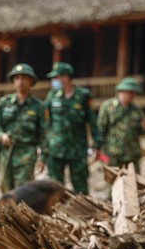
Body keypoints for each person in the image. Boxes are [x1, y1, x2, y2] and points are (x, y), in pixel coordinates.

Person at [43, 62, 102, 194]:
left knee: (80, 186)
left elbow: (92, 122)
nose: (54, 81)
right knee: (55, 186)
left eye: (56, 77)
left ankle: (82, 212)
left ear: (66, 77)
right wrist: (44, 146)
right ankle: (57, 212)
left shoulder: (83, 96)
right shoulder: (52, 96)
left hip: (77, 150)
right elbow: (46, 123)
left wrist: (97, 144)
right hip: (56, 149)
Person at [0, 63, 47, 193]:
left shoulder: (38, 106)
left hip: (27, 153)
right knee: (6, 191)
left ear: (31, 81)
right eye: (17, 78)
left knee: (23, 191)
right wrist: (1, 136)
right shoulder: (4, 103)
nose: (20, 81)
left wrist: (43, 158)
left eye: (24, 78)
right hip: (6, 153)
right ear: (13, 81)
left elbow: (44, 134)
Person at [97, 77, 145, 174]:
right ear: (121, 91)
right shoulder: (108, 107)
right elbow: (100, 129)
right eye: (130, 92)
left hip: (132, 154)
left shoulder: (137, 109)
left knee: (135, 184)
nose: (132, 96)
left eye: (134, 93)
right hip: (113, 154)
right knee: (113, 184)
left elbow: (141, 131)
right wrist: (98, 148)